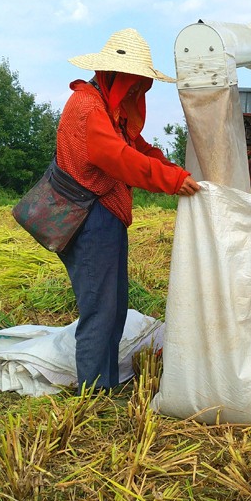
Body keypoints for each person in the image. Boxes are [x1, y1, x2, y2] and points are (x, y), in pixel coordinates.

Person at [57, 28, 200, 393]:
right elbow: (118, 158)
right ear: (116, 76)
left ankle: (103, 382)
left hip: (106, 216)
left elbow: (137, 146)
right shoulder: (87, 107)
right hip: (89, 219)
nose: (138, 91)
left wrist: (175, 170)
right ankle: (92, 394)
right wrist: (169, 181)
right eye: (134, 83)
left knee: (114, 307)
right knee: (99, 310)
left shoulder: (108, 108)